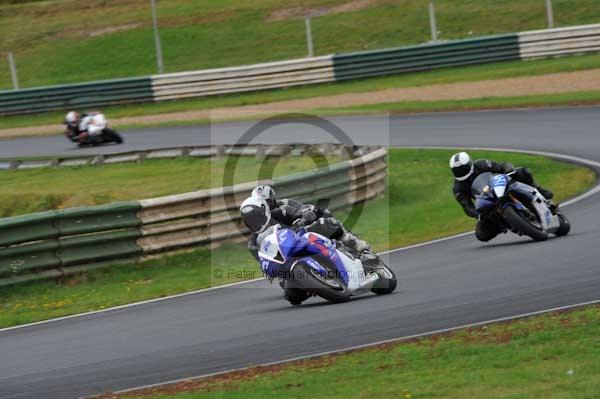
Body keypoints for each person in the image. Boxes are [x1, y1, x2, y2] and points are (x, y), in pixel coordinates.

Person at [450, 151, 554, 242]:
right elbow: (467, 207)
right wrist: (478, 215)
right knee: (481, 234)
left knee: (522, 172)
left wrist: (508, 169)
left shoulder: (481, 164)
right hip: (486, 201)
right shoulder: (458, 188)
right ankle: (502, 225)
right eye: (458, 170)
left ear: (469, 163)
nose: (461, 172)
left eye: (463, 168)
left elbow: (501, 166)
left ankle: (539, 190)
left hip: (499, 185)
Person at [245, 185, 369, 260]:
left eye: (268, 201)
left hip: (301, 229)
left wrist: (305, 217)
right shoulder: (259, 225)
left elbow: (305, 209)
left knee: (324, 214)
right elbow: (259, 254)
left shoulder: (285, 204)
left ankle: (352, 241)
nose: (267, 205)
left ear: (272, 198)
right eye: (263, 203)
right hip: (285, 247)